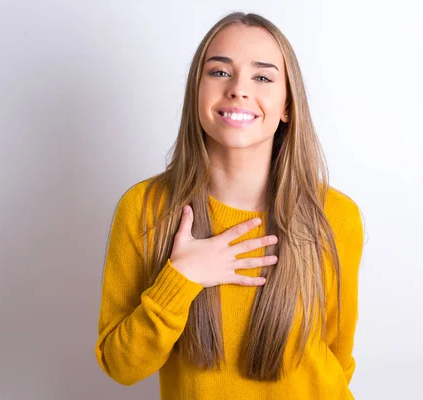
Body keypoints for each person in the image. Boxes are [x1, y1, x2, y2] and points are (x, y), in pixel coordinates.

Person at [95, 11, 365, 400]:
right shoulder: (145, 209)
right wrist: (180, 279)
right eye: (220, 72)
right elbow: (120, 365)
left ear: (287, 105)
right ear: (197, 91)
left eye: (263, 77)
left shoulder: (335, 216)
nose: (238, 89)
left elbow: (339, 358)